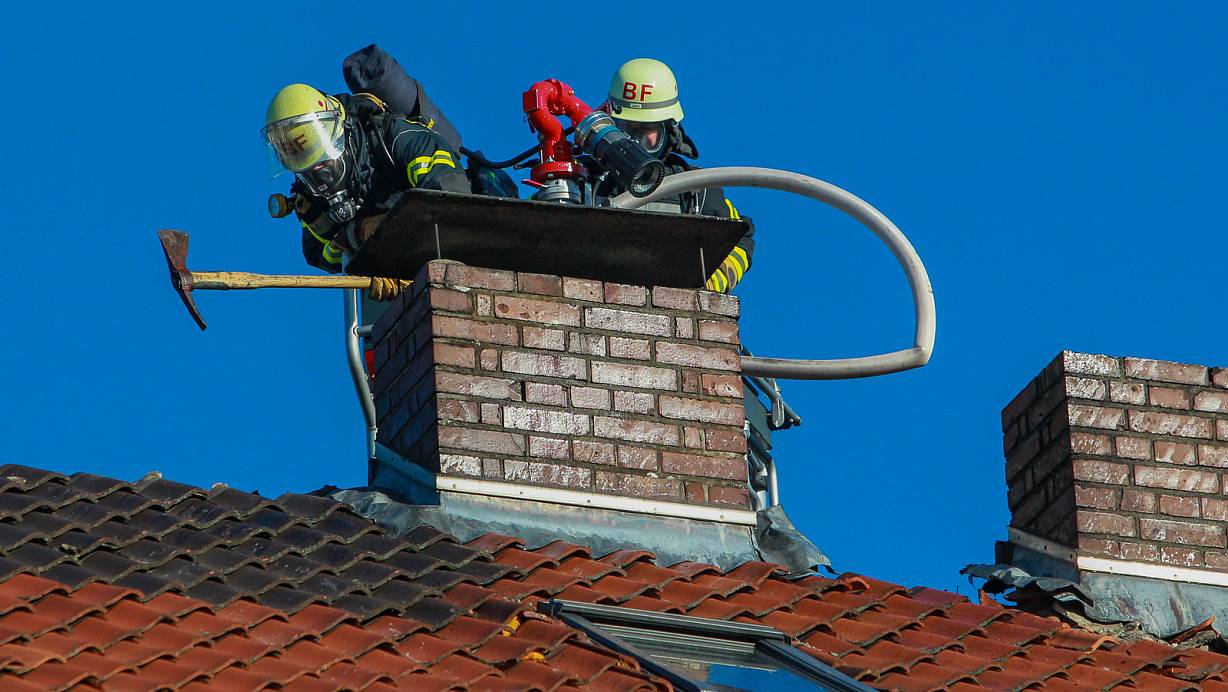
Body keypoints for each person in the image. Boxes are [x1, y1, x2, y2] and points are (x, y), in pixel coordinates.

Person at [262, 83, 471, 298]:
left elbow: (451, 209)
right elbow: (325, 256)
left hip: (471, 261)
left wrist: (382, 238)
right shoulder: (311, 204)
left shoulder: (402, 140)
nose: (318, 173)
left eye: (322, 158)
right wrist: (357, 238)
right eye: (306, 166)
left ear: (342, 132)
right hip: (414, 299)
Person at [588, 59, 754, 294]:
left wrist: (711, 284)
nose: (637, 142)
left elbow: (740, 236)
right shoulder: (585, 180)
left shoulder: (695, 188)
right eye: (628, 129)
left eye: (647, 131)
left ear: (669, 129)